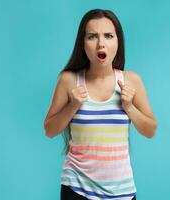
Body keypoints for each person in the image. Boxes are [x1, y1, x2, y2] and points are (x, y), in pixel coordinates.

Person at [44, 8, 157, 200]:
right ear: (83, 43)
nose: (101, 44)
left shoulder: (131, 80)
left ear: (118, 42)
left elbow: (150, 130)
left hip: (121, 191)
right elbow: (50, 130)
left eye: (108, 36)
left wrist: (129, 107)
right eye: (92, 37)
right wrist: (72, 106)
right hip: (76, 187)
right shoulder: (68, 80)